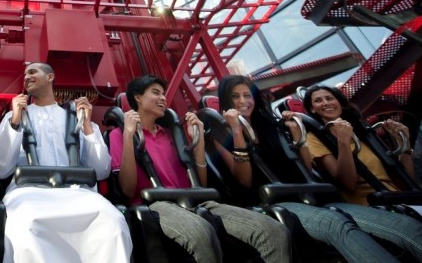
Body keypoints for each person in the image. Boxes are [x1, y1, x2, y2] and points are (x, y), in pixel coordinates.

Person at [217, 74, 415, 262]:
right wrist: (236, 131)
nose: (243, 101)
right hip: (273, 202)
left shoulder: (269, 127)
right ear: (226, 101)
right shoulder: (221, 133)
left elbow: (306, 170)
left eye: (247, 95)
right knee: (336, 225)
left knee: (404, 225)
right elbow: (244, 180)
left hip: (307, 196)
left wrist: (297, 137)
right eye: (235, 96)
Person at [109, 75, 291, 263]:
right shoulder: (119, 134)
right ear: (138, 98)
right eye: (156, 93)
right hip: (156, 204)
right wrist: (129, 136)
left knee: (275, 231)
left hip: (195, 202)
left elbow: (200, 184)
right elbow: (128, 189)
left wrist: (199, 143)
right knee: (201, 232)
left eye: (164, 94)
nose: (163, 98)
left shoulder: (173, 134)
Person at [0, 62, 132, 263]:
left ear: (50, 77)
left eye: (32, 72)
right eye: (25, 74)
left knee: (112, 220)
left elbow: (101, 171)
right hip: (29, 193)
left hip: (78, 193)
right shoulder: (14, 117)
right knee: (25, 223)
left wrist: (88, 126)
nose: (26, 77)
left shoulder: (78, 118)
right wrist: (14, 123)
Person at [300, 83, 422, 259]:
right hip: (366, 205)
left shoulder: (363, 132)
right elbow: (347, 184)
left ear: (340, 103)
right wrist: (343, 142)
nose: (325, 103)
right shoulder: (315, 139)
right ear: (312, 109)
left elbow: (406, 180)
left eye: (329, 98)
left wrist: (404, 145)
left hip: (397, 199)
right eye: (318, 101)